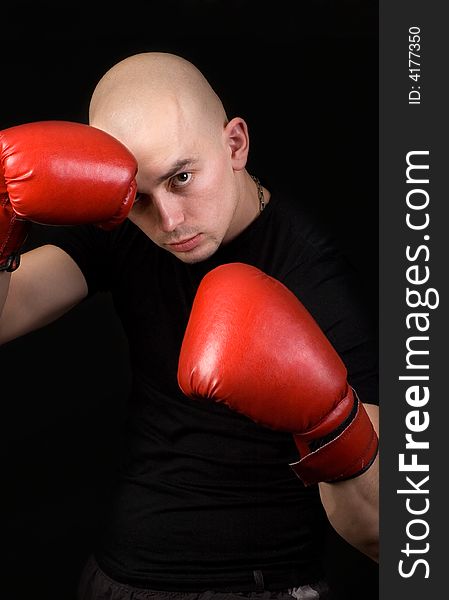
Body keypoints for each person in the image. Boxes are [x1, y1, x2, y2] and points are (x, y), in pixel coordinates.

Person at [0, 52, 379, 599]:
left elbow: (389, 533)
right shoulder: (124, 226)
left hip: (255, 588)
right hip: (115, 578)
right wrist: (4, 227)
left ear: (235, 145)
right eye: (140, 199)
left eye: (182, 177)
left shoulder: (311, 275)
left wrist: (329, 421)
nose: (169, 222)